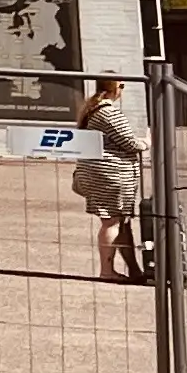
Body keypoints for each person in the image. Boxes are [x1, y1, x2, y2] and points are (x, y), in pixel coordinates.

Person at [73, 74, 148, 283]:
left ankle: (134, 270)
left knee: (120, 222)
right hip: (110, 176)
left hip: (98, 174)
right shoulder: (108, 113)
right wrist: (146, 142)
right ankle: (107, 271)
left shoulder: (91, 111)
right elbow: (130, 143)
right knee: (111, 222)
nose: (122, 90)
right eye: (121, 85)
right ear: (114, 88)